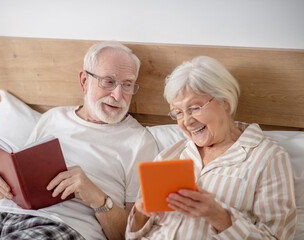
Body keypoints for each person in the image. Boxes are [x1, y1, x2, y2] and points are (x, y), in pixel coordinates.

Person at [0, 41, 158, 240]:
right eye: (108, 82)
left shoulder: (140, 142)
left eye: (128, 85)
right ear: (84, 81)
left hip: (61, 226)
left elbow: (132, 233)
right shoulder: (53, 118)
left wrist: (97, 198)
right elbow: (19, 186)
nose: (118, 95)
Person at [126, 56, 297, 239]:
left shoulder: (268, 157)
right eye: (179, 112)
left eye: (195, 108)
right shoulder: (170, 155)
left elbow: (277, 236)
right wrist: (141, 213)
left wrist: (217, 215)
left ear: (225, 100)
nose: (187, 121)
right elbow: (131, 236)